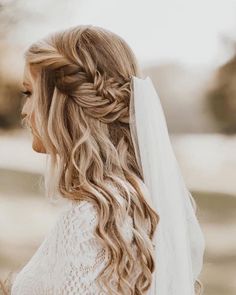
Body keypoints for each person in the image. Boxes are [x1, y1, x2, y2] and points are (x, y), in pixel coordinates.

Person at [11, 25, 204, 294]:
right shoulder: (135, 204)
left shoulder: (88, 219)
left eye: (29, 93)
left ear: (64, 104)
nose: (25, 110)